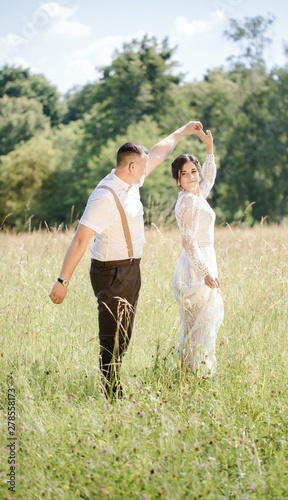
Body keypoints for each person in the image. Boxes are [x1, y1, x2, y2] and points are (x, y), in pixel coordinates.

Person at [49, 121, 203, 398]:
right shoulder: (104, 196)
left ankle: (113, 386)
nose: (148, 170)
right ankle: (111, 395)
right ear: (131, 167)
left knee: (124, 335)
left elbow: (157, 153)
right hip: (111, 272)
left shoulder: (131, 180)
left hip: (131, 270)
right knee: (112, 336)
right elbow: (81, 239)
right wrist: (62, 281)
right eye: (143, 167)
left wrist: (182, 132)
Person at [171, 129, 224, 377]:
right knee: (197, 327)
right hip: (195, 269)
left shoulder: (196, 196)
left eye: (194, 171)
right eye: (185, 174)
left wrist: (209, 149)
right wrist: (206, 273)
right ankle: (188, 377)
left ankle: (192, 376)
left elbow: (209, 179)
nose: (191, 176)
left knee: (199, 327)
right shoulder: (189, 201)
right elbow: (188, 242)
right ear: (178, 180)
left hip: (202, 262)